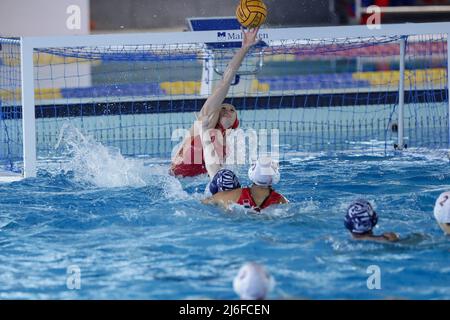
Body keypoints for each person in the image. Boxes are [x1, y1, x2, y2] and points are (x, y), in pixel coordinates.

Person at [170, 27, 260, 177]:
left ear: (235, 122)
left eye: (232, 110)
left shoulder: (227, 149)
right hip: (172, 182)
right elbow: (224, 82)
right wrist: (244, 48)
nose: (226, 110)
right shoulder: (205, 121)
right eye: (223, 107)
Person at [202, 157, 289, 212]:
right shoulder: (281, 200)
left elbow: (205, 202)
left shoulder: (235, 195)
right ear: (274, 177)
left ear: (252, 174)